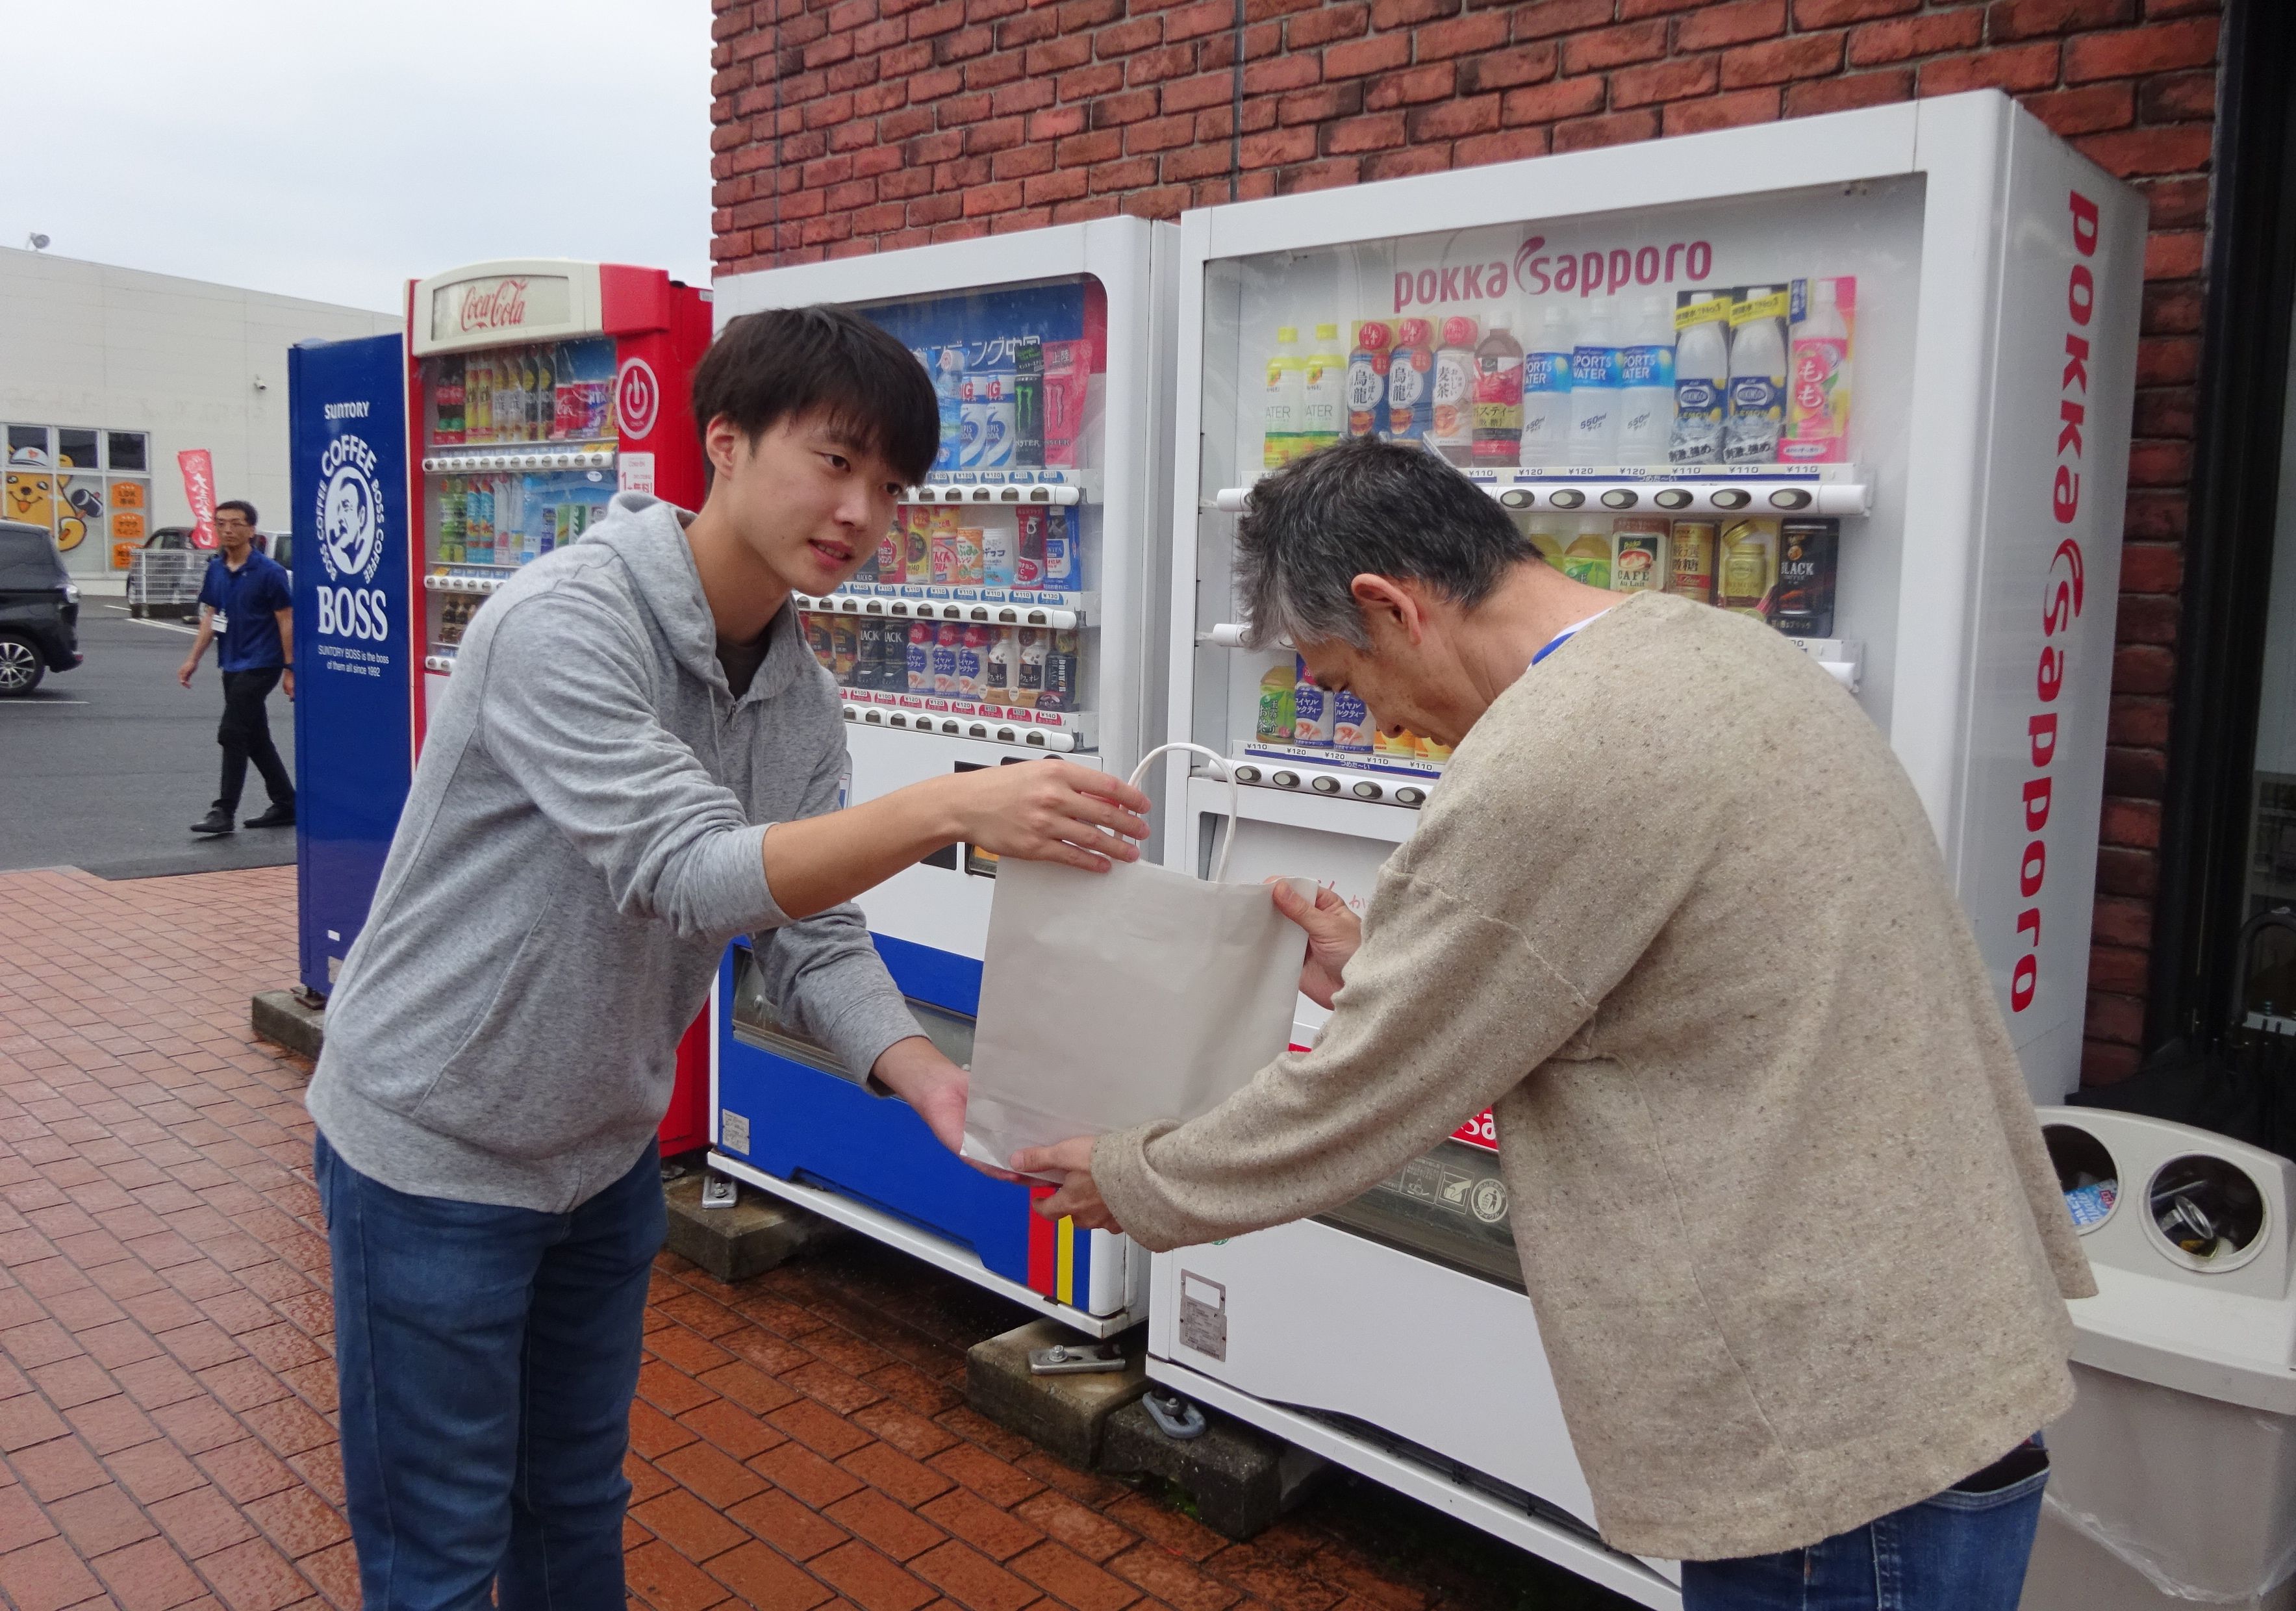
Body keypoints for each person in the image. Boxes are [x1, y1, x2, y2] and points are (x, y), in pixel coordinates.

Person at [1016, 438, 2094, 1611]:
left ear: (1390, 606)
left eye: (1341, 679)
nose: (1373, 725)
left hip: (1822, 1426)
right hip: (1919, 1350)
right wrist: (1383, 961)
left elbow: (1359, 1092)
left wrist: (1140, 1176)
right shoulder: (1710, 649)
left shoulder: (1549, 758)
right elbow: (1642, 969)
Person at [308, 306, 1150, 1610]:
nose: (863, 511)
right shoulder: (562, 624)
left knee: (577, 1509)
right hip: (436, 1149)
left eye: (893, 486)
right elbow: (687, 869)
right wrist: (950, 806)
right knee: (439, 1555)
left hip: (600, 1158)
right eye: (835, 461)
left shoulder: (800, 694)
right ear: (726, 442)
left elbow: (803, 932)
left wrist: (930, 1080)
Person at [176, 499, 296, 834]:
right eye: (221, 523)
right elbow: (211, 617)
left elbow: (286, 620)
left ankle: (223, 811)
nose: (228, 529)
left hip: (263, 663)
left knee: (231, 732)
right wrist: (192, 660)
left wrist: (290, 669)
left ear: (251, 529)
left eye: (236, 523)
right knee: (256, 737)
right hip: (231, 661)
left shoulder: (270, 573)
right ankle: (287, 803)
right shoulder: (216, 568)